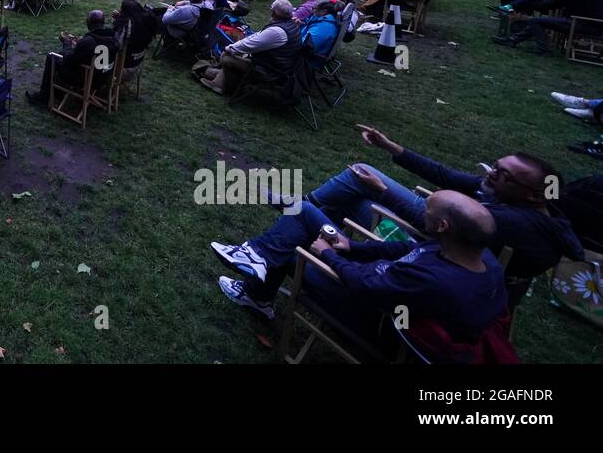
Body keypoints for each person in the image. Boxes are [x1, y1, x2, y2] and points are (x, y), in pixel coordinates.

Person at [212, 189, 509, 353]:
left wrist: (329, 255)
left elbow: (364, 285)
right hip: (377, 282)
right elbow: (405, 249)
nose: (422, 216)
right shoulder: (475, 256)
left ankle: (256, 292)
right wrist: (352, 248)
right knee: (302, 211)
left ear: (444, 227)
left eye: (427, 213)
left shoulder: (434, 280)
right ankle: (254, 258)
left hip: (369, 314)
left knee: (293, 249)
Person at [303, 124, 583, 282]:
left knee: (356, 188)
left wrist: (384, 191)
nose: (491, 174)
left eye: (502, 174)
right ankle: (305, 221)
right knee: (359, 183)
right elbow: (445, 175)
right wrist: (389, 146)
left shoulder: (512, 222)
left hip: (437, 249)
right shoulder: (506, 193)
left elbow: (434, 226)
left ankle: (303, 216)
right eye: (495, 166)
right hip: (444, 227)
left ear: (534, 194)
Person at [200, 0, 301, 96]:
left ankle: (222, 85)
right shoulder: (291, 25)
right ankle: (219, 81)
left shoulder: (277, 31)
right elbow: (258, 36)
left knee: (228, 56)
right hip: (280, 66)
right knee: (237, 52)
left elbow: (249, 45)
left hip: (268, 69)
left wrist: (228, 49)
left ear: (273, 11)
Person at [494, 0, 603, 54]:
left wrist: (533, 0)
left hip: (580, 24)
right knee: (537, 19)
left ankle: (544, 49)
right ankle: (513, 40)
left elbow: (552, 6)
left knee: (535, 21)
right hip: (598, 26)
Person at [26, 9, 119, 105]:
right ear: (103, 22)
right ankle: (57, 92)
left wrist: (67, 43)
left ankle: (43, 97)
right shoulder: (113, 38)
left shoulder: (89, 42)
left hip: (86, 79)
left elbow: (69, 61)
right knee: (63, 57)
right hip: (103, 77)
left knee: (52, 57)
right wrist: (79, 44)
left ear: (88, 23)